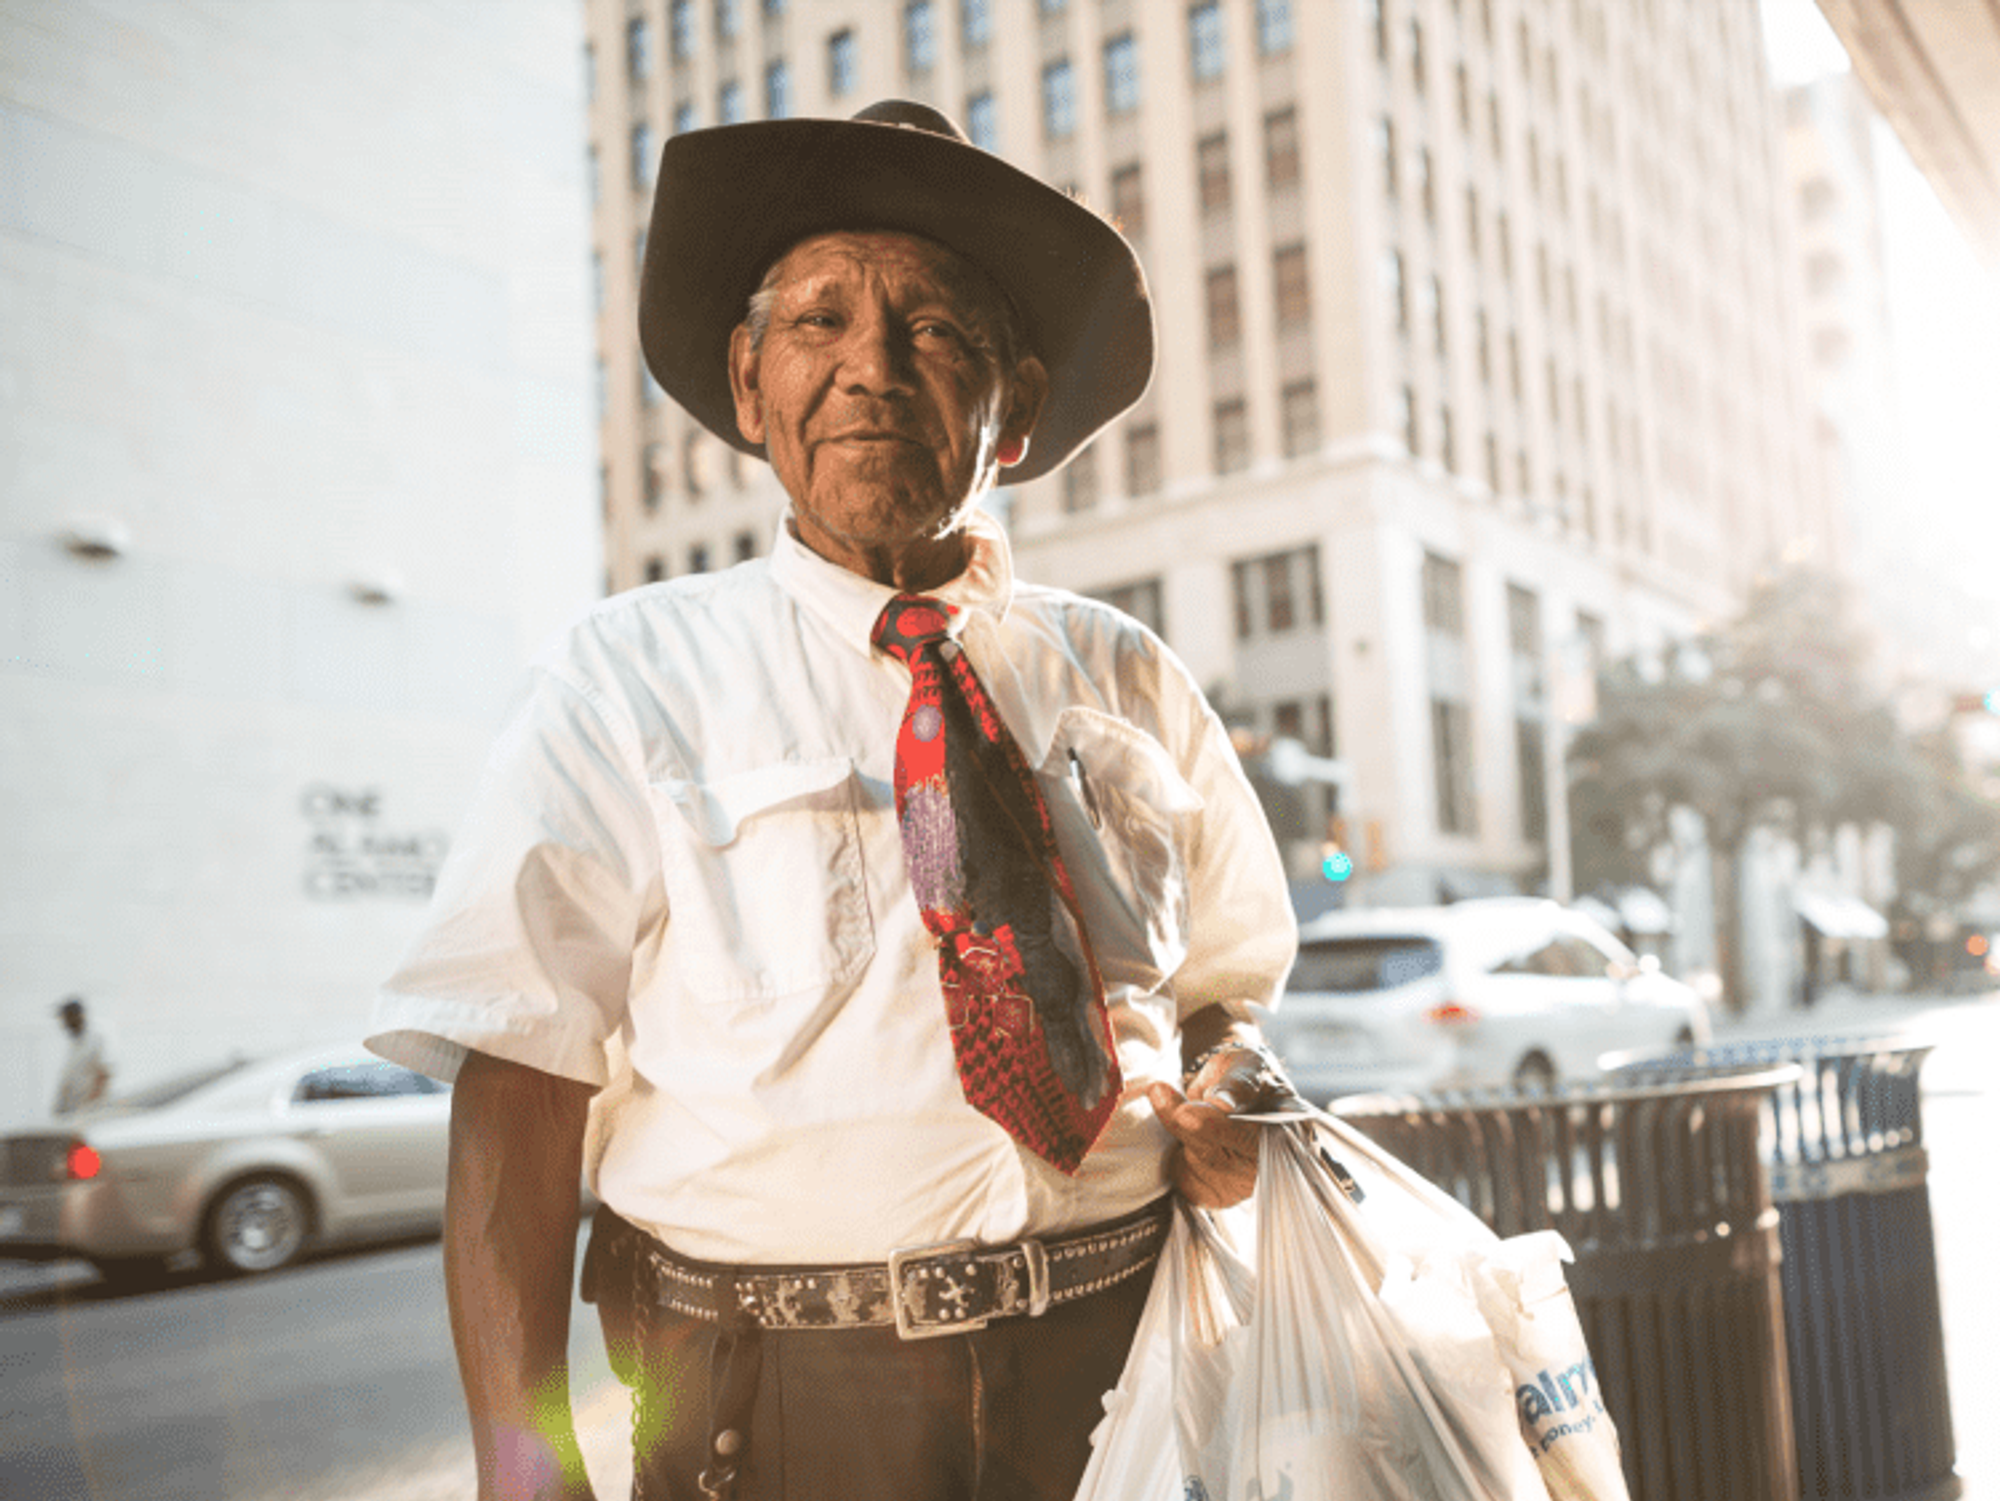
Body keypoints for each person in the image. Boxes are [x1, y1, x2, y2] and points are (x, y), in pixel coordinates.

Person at [367, 99, 1300, 1501]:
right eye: (818, 323)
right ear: (750, 388)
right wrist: (526, 1459)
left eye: (935, 329)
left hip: (1136, 1366)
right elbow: (518, 1080)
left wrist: (1239, 1080)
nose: (871, 367)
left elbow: (1228, 985)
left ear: (1021, 410)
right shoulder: (626, 675)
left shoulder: (1127, 674)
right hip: (775, 1406)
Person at [52, 996, 113, 1116]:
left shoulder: (95, 1039)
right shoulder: (75, 1044)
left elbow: (104, 1075)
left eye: (67, 1018)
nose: (64, 1023)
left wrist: (90, 1107)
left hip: (88, 1113)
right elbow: (70, 1079)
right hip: (72, 1111)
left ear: (78, 1016)